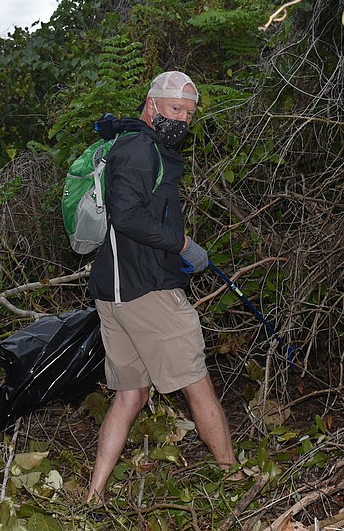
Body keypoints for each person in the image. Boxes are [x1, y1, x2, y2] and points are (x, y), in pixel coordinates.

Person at [86, 71, 238, 502]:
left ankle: (92, 496)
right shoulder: (139, 150)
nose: (183, 121)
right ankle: (234, 480)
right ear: (152, 105)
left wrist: (174, 252)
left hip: (114, 293)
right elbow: (128, 216)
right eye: (176, 110)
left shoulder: (130, 145)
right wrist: (184, 245)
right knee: (196, 381)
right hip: (146, 292)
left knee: (129, 395)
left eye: (189, 114)